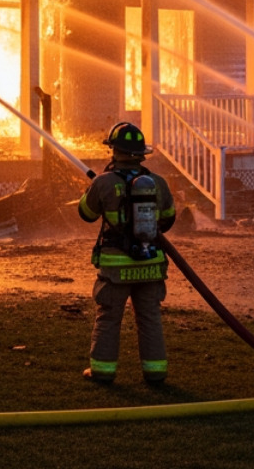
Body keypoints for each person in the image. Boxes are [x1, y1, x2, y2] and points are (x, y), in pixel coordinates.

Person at [77, 121, 177, 384]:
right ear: (141, 154)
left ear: (114, 151)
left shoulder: (103, 182)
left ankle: (102, 372)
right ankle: (155, 373)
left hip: (116, 267)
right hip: (151, 264)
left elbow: (86, 214)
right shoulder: (158, 183)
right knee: (150, 319)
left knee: (109, 317)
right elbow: (167, 220)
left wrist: (91, 191)